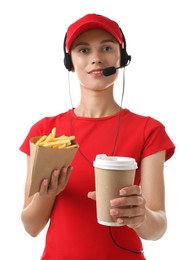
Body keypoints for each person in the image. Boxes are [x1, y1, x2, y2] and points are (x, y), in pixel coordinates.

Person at [20, 13, 175, 260]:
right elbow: (31, 226)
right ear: (69, 61)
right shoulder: (44, 133)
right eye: (83, 50)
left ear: (121, 58)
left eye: (106, 48)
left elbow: (158, 228)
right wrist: (47, 194)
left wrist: (142, 216)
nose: (96, 59)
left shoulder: (149, 130)